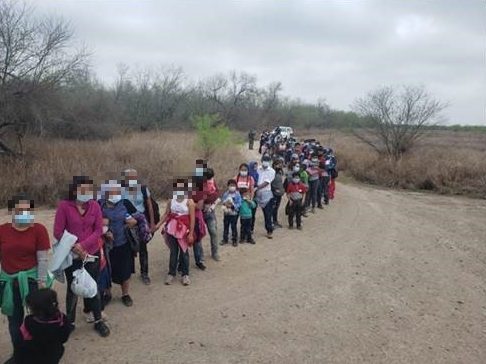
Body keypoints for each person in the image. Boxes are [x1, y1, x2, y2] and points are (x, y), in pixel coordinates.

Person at [53, 176, 110, 337]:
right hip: (71, 255)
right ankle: (69, 322)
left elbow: (98, 230)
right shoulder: (64, 206)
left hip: (91, 254)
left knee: (93, 287)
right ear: (75, 190)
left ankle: (98, 320)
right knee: (73, 288)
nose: (86, 193)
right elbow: (58, 232)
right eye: (82, 189)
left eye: (89, 190)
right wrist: (76, 247)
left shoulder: (94, 206)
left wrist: (83, 246)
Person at [0, 194, 51, 363]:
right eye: (20, 210)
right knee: (14, 322)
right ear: (11, 211)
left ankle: (39, 354)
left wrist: (42, 283)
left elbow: (42, 258)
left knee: (38, 320)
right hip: (9, 282)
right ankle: (19, 355)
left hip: (32, 281)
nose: (24, 213)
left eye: (28, 210)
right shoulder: (2, 230)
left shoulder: (39, 229)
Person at [98, 181, 138, 307]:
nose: (116, 194)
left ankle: (125, 294)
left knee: (125, 270)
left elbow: (137, 218)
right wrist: (105, 230)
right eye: (112, 191)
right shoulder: (99, 205)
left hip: (123, 243)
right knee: (106, 270)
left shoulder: (125, 203)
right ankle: (107, 294)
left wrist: (129, 223)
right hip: (106, 246)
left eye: (117, 191)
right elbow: (93, 222)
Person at [14, 288, 73, 364]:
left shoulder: (29, 322)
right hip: (53, 356)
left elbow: (19, 345)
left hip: (30, 358)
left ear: (35, 309)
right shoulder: (62, 319)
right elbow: (64, 338)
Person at [121, 169, 156, 285]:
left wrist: (152, 223)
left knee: (142, 247)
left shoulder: (142, 188)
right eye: (129, 177)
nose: (131, 179)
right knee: (127, 247)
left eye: (133, 177)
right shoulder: (120, 189)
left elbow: (149, 206)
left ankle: (144, 273)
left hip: (141, 221)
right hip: (127, 221)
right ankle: (128, 272)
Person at [159, 178, 195, 286]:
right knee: (173, 252)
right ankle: (171, 273)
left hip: (183, 231)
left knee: (184, 252)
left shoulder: (189, 202)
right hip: (172, 230)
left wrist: (191, 233)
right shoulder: (171, 200)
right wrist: (157, 225)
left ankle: (185, 274)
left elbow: (192, 219)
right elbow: (166, 214)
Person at [202, 168, 220, 261]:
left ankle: (215, 252)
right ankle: (199, 256)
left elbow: (216, 194)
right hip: (200, 211)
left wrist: (208, 198)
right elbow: (200, 196)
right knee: (199, 234)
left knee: (213, 232)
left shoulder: (213, 182)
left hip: (210, 210)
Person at [255, 155, 275, 239]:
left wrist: (257, 187)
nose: (265, 162)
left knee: (267, 213)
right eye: (264, 160)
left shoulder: (272, 171)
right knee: (252, 212)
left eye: (267, 160)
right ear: (261, 160)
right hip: (255, 193)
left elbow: (267, 182)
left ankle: (269, 230)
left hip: (266, 193)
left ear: (270, 161)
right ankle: (250, 229)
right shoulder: (257, 169)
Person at [221, 179, 242, 247]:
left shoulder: (238, 194)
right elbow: (223, 201)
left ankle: (234, 240)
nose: (232, 187)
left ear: (236, 186)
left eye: (233, 185)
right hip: (227, 213)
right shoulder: (226, 194)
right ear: (228, 186)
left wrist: (233, 206)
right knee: (226, 226)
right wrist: (225, 204)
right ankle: (225, 239)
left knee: (233, 226)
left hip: (234, 213)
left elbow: (239, 203)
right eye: (230, 185)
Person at [271, 159, 285, 228]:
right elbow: (270, 183)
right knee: (273, 208)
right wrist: (274, 190)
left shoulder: (280, 172)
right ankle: (272, 222)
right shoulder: (271, 172)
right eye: (278, 164)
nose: (279, 165)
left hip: (279, 193)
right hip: (274, 193)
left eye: (280, 164)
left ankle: (275, 221)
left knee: (276, 208)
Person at [247, 161, 259, 233]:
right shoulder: (247, 176)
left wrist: (255, 188)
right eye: (254, 166)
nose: (255, 168)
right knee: (246, 213)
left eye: (256, 166)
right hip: (246, 196)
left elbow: (257, 184)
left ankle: (251, 229)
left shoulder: (257, 174)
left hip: (254, 196)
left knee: (253, 214)